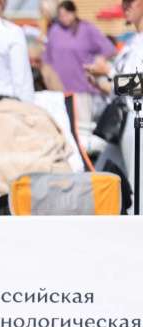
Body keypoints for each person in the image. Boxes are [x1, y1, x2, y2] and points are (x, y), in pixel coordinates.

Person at [86, 0, 143, 211]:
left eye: (131, 1)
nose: (125, 5)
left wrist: (108, 73)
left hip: (138, 125)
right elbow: (124, 87)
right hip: (122, 124)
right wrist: (102, 84)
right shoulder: (132, 42)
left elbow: (141, 85)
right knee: (100, 181)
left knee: (138, 190)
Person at [44, 1, 114, 97]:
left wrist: (99, 61)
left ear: (73, 13)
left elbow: (108, 48)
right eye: (61, 15)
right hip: (59, 91)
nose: (64, 18)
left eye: (66, 14)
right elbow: (47, 59)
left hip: (83, 90)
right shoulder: (54, 30)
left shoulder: (86, 28)